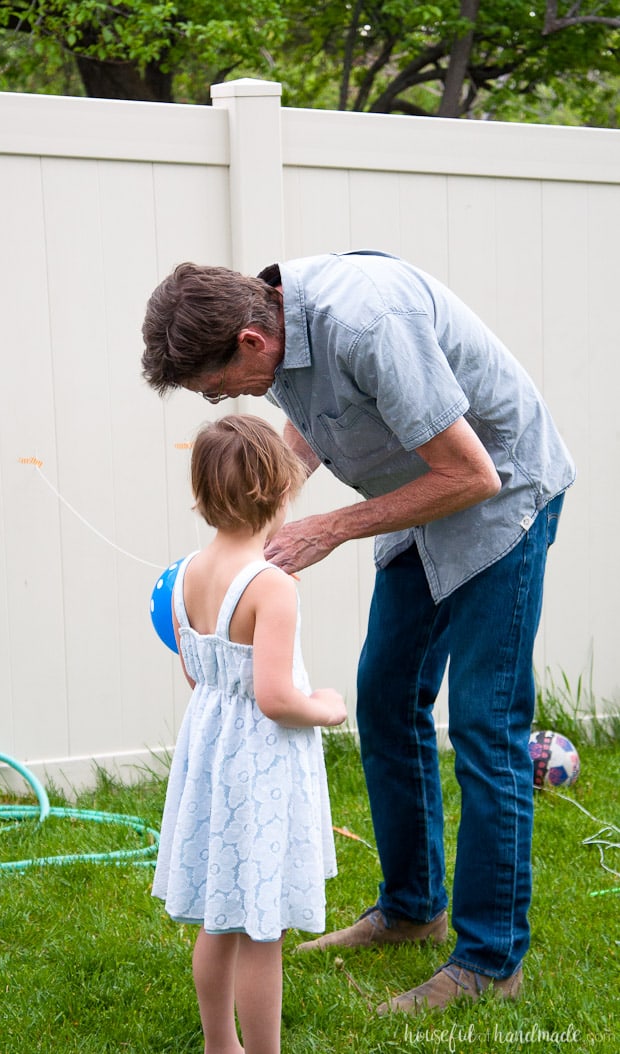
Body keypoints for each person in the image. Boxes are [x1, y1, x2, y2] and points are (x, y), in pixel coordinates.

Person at [141, 251, 575, 1015]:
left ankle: (488, 958)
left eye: (217, 389)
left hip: (501, 499)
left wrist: (331, 529)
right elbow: (312, 429)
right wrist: (257, 530)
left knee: (483, 724)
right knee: (383, 698)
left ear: (250, 339)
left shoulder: (366, 322)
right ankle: (411, 908)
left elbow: (474, 475)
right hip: (420, 498)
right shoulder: (278, 329)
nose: (223, 401)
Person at [152, 413, 347, 1053]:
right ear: (279, 491)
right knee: (263, 928)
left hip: (210, 755)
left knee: (220, 915)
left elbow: (195, 675)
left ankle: (219, 1045)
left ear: (204, 492)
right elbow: (274, 698)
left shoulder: (183, 576)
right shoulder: (272, 586)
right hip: (259, 769)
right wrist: (325, 707)